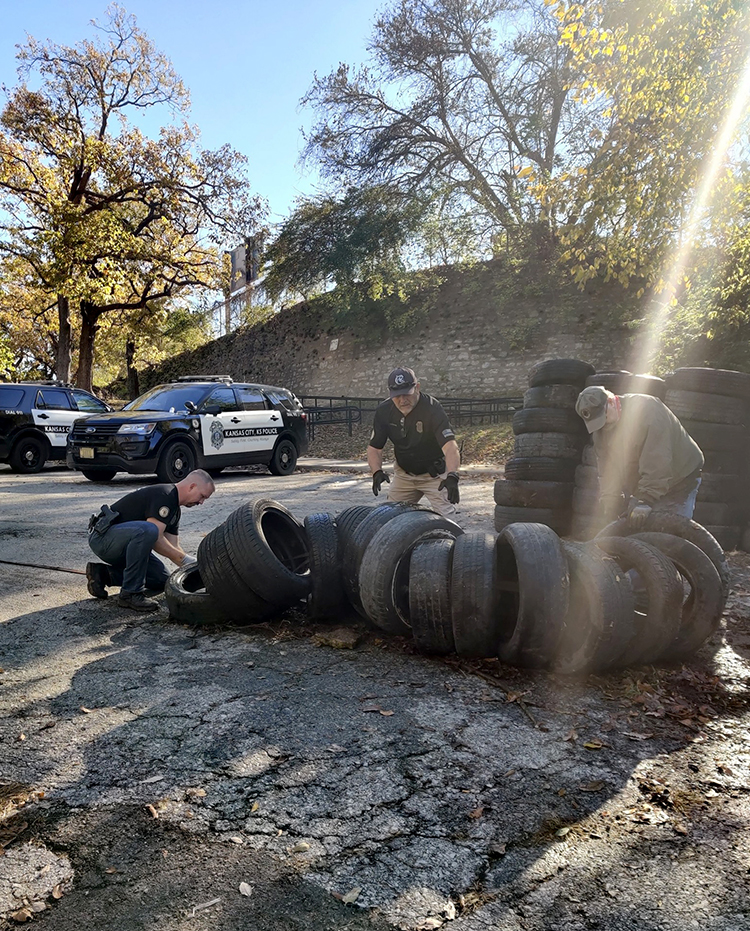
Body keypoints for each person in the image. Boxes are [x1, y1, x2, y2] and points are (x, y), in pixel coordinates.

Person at [85, 469, 215, 612]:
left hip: (124, 545)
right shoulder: (165, 495)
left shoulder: (175, 510)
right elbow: (156, 539)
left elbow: (173, 547)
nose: (202, 502)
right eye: (202, 496)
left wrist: (192, 571)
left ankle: (103, 574)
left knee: (162, 579)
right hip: (103, 539)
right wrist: (185, 560)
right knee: (149, 530)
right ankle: (130, 594)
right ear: (192, 486)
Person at [575, 386, 704, 528]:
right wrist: (611, 502)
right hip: (645, 481)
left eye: (603, 417)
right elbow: (607, 469)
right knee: (638, 532)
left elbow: (657, 461)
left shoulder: (648, 411)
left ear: (611, 401)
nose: (602, 424)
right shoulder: (600, 430)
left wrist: (644, 500)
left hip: (679, 478)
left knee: (669, 534)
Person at [367, 367, 461, 517]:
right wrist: (376, 472)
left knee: (448, 521)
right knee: (388, 518)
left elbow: (450, 446)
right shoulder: (384, 411)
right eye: (397, 396)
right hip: (404, 475)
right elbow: (375, 448)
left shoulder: (432, 408)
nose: (403, 400)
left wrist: (452, 475)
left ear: (417, 387)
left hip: (434, 476)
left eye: (407, 394)